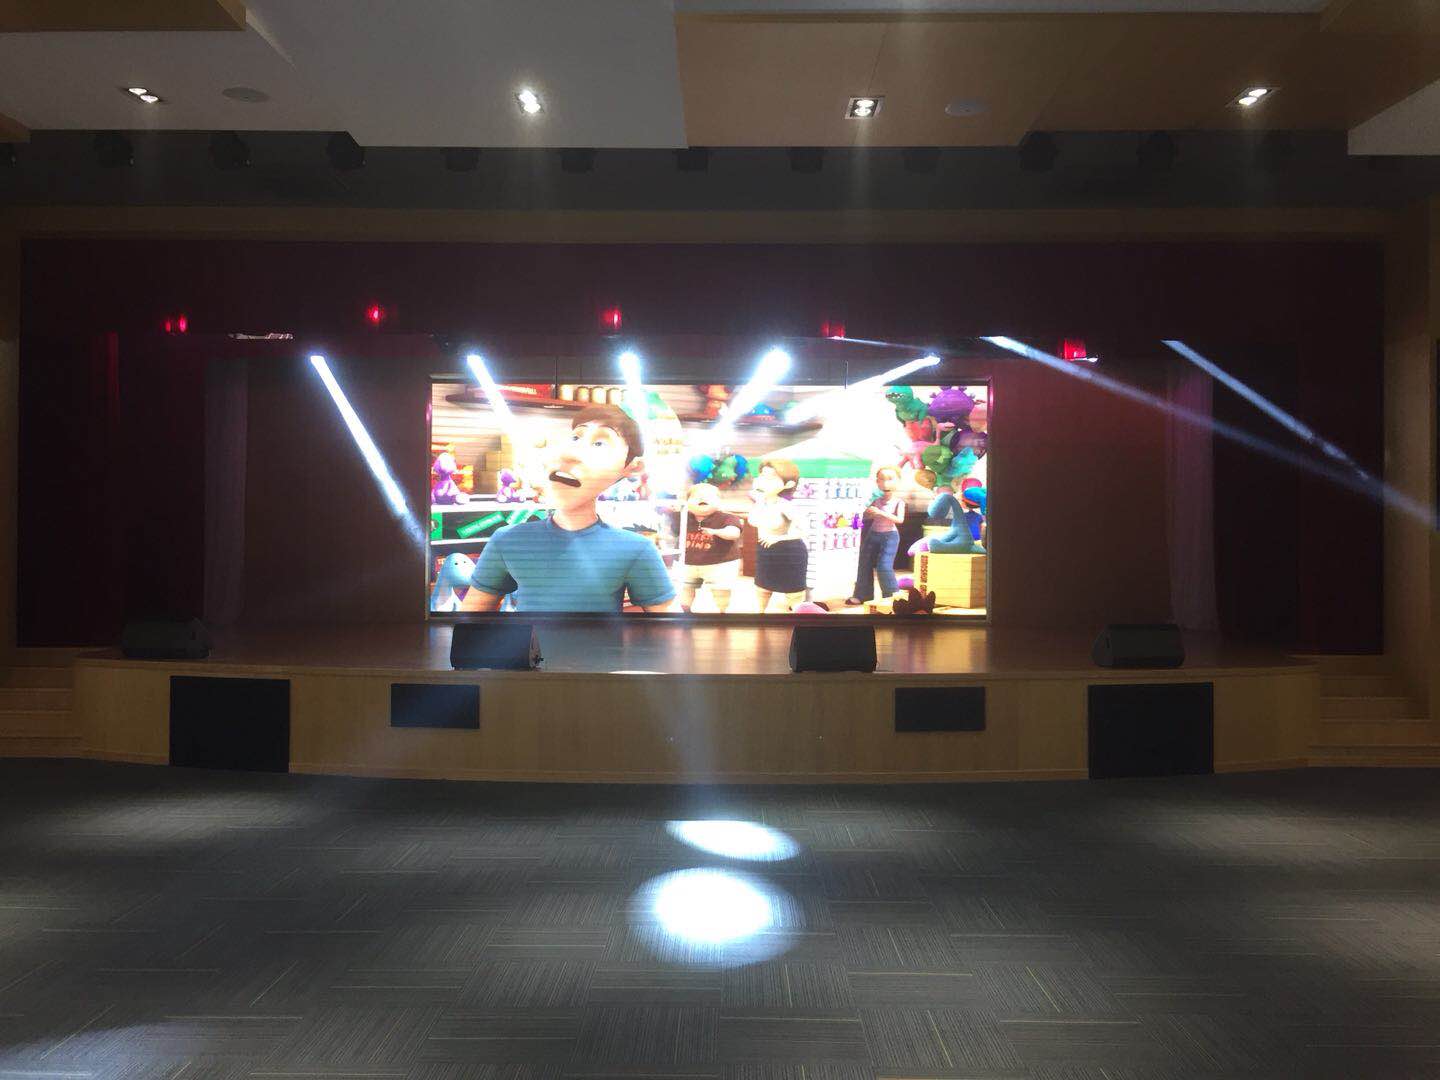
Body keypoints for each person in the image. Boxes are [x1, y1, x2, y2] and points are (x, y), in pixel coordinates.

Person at [467, 405, 675, 613]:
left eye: (599, 443)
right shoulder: (507, 540)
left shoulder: (635, 549)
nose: (569, 455)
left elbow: (672, 627)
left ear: (633, 467)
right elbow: (468, 619)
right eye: (575, 438)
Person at [750, 458, 808, 613]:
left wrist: (778, 538)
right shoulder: (761, 502)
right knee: (762, 588)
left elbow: (804, 530)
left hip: (789, 553)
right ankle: (759, 617)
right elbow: (753, 521)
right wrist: (759, 501)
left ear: (788, 484)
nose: (763, 481)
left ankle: (798, 620)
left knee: (794, 592)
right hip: (765, 550)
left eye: (770, 478)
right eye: (762, 476)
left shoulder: (787, 505)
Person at [676, 482, 743, 613]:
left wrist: (716, 532)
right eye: (696, 496)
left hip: (720, 563)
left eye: (708, 496)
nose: (702, 498)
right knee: (686, 588)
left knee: (721, 591)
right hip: (688, 563)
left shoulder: (727, 517)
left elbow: (734, 533)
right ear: (687, 502)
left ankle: (722, 612)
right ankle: (686, 612)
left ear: (719, 501)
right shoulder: (683, 516)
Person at [848, 465, 905, 605]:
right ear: (877, 482)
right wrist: (863, 514)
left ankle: (892, 596)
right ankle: (862, 595)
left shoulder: (899, 502)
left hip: (890, 536)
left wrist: (880, 512)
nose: (885, 484)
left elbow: (900, 520)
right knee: (863, 563)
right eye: (881, 479)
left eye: (890, 479)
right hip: (873, 534)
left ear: (898, 481)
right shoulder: (874, 499)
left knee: (884, 566)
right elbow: (865, 518)